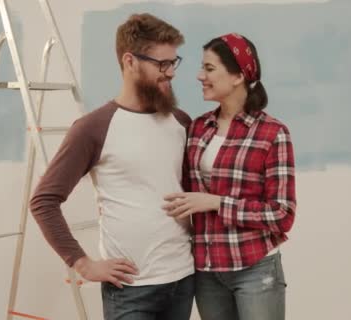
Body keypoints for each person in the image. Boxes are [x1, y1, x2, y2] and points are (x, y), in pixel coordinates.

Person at [29, 13, 194, 320]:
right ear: (130, 61)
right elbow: (44, 201)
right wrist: (82, 263)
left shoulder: (180, 122)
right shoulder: (93, 128)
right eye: (162, 64)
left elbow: (188, 194)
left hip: (183, 279)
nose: (171, 72)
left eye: (174, 62)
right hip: (130, 289)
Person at [163, 33, 296, 320]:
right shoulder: (197, 128)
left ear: (238, 76)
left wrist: (217, 203)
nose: (200, 76)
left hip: (255, 267)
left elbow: (282, 214)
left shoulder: (273, 134)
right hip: (207, 272)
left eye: (209, 68)